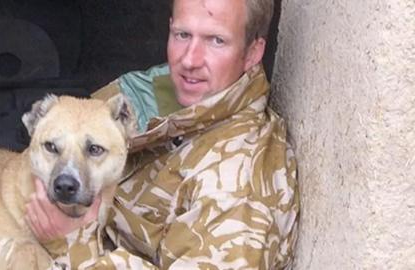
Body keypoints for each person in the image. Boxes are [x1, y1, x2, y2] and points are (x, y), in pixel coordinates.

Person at [26, 0, 299, 269]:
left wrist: (72, 239)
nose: (189, 60)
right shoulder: (158, 93)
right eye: (182, 34)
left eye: (216, 40)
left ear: (253, 52)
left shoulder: (238, 188)